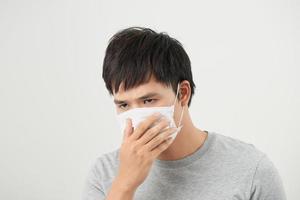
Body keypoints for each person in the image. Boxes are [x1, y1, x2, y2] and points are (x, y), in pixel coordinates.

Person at [82, 27, 286, 200]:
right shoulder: (104, 174)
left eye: (148, 100)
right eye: (124, 105)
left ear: (183, 93)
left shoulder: (251, 169)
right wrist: (124, 185)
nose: (137, 116)